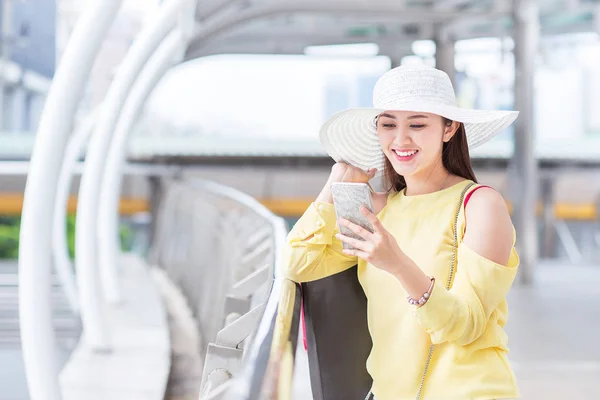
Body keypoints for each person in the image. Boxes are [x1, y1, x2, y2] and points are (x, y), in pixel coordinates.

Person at [282, 64, 520, 400]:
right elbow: (296, 264)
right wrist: (333, 184)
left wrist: (395, 262)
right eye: (388, 125)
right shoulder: (380, 210)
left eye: (418, 124)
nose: (400, 140)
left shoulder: (480, 206)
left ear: (449, 128)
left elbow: (466, 325)